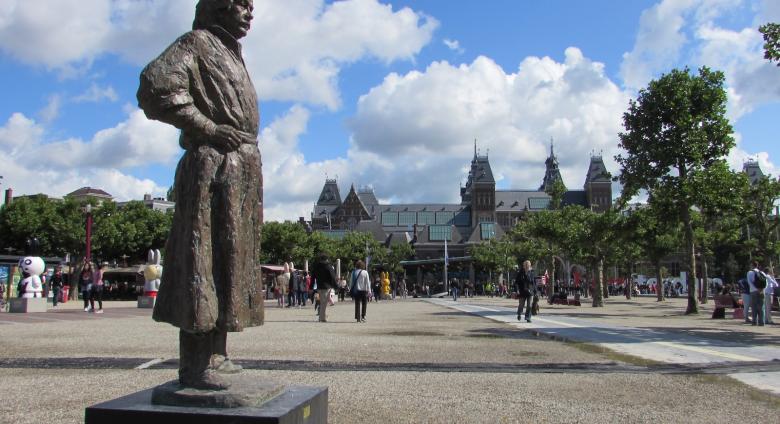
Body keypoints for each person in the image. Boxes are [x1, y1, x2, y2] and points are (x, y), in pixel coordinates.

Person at [137, 0, 263, 390]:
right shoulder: (196, 43)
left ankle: (217, 354)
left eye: (251, 6)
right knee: (201, 261)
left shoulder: (229, 52)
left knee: (230, 263)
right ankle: (195, 366)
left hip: (238, 168)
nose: (249, 13)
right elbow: (155, 87)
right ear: (218, 7)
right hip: (213, 165)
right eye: (241, 5)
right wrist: (207, 127)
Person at [311, 253, 337, 323]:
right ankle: (322, 318)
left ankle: (323, 316)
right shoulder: (328, 266)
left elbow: (313, 277)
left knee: (323, 301)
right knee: (324, 302)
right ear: (327, 259)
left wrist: (311, 286)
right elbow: (333, 277)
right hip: (327, 286)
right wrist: (336, 286)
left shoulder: (316, 267)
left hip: (319, 286)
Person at [746, 261, 765, 326]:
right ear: (757, 265)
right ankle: (761, 322)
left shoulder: (750, 272)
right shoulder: (761, 272)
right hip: (761, 291)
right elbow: (766, 282)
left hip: (753, 291)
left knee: (754, 307)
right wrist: (761, 289)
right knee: (761, 307)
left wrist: (755, 289)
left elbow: (749, 282)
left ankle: (754, 321)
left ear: (752, 265)